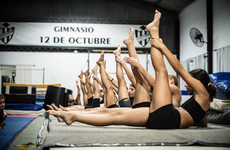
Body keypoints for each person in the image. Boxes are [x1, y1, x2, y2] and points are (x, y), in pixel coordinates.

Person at [47, 10, 215, 129]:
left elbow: (180, 70)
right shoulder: (202, 102)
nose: (186, 84)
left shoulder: (202, 93)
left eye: (191, 81)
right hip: (163, 118)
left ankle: (154, 33)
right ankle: (72, 116)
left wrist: (162, 47)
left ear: (199, 82)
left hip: (168, 117)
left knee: (161, 72)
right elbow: (202, 121)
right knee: (115, 116)